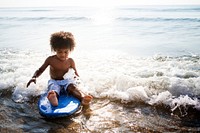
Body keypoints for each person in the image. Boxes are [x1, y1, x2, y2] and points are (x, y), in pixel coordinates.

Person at [26, 31, 92, 106]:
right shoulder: (50, 60)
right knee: (54, 89)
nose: (63, 54)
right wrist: (34, 77)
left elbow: (76, 74)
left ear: (70, 50)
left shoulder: (70, 61)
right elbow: (40, 70)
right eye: (60, 52)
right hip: (55, 81)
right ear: (55, 50)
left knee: (72, 87)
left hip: (66, 81)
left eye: (66, 52)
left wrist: (80, 85)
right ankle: (53, 98)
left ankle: (82, 98)